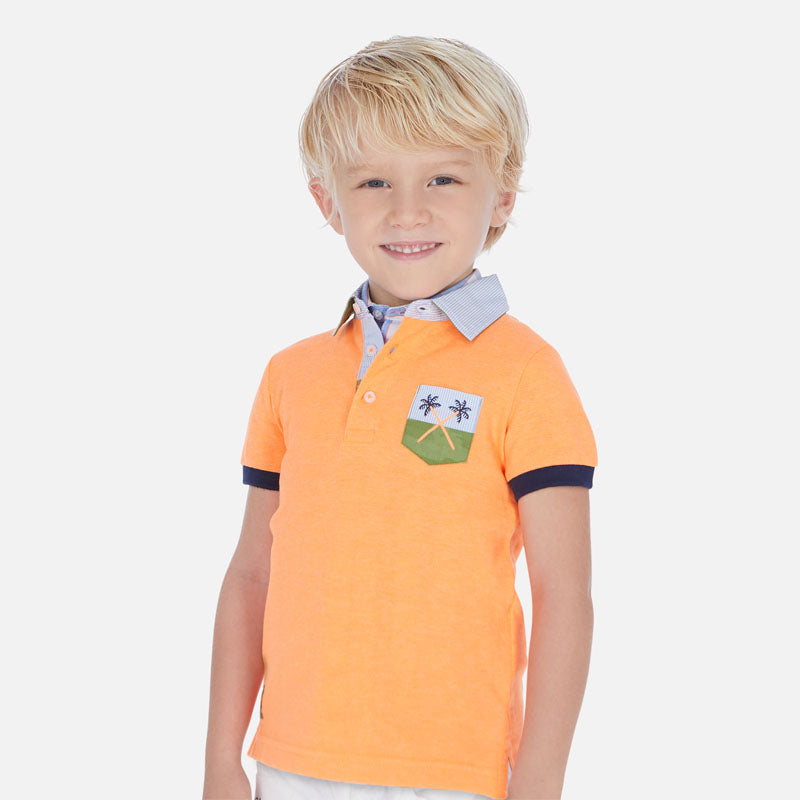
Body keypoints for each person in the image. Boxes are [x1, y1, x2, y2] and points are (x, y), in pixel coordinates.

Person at [203, 35, 598, 800]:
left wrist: (541, 780)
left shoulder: (527, 373)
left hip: (453, 775)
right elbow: (252, 574)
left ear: (503, 195)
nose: (407, 210)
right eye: (374, 180)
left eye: (444, 177)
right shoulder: (291, 374)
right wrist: (223, 759)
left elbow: (563, 594)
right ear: (327, 201)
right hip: (290, 765)